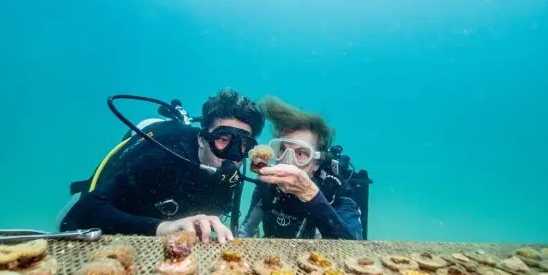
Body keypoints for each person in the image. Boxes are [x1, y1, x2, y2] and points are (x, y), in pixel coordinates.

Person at [60, 89, 265, 243]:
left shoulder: (230, 179)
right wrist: (163, 227)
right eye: (223, 139)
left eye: (243, 144)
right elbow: (82, 213)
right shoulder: (162, 158)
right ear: (202, 139)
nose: (233, 153)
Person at [238, 97, 363, 240]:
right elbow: (246, 231)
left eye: (301, 153)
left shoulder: (336, 193)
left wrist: (310, 195)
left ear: (316, 163)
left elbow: (353, 248)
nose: (288, 161)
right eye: (283, 149)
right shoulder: (267, 187)